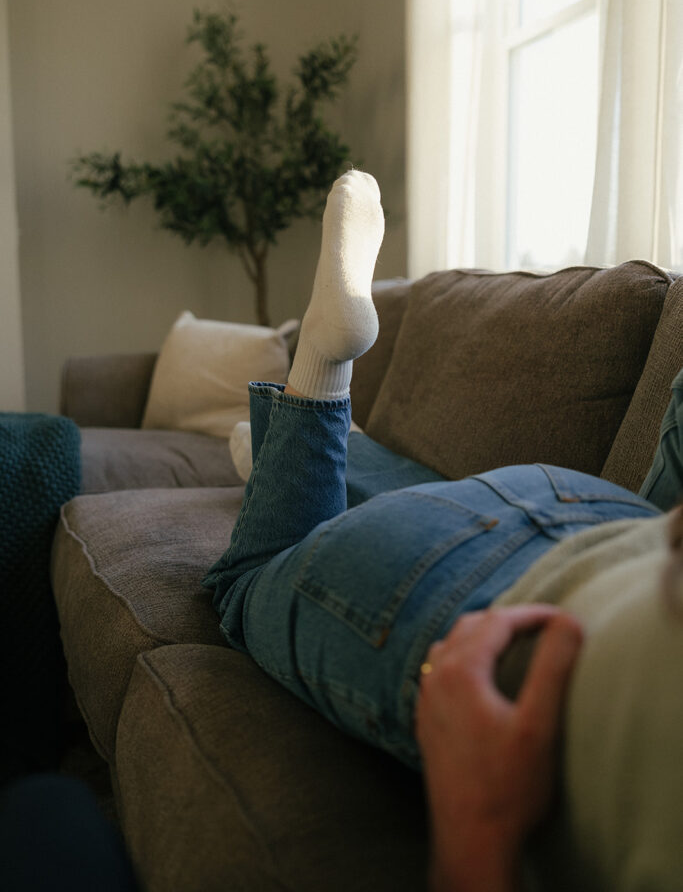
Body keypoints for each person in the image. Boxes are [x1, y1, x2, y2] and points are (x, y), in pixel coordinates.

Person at [203, 171, 683, 891]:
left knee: (377, 515)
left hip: (594, 510)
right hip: (476, 601)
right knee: (254, 573)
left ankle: (299, 433)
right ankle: (320, 369)